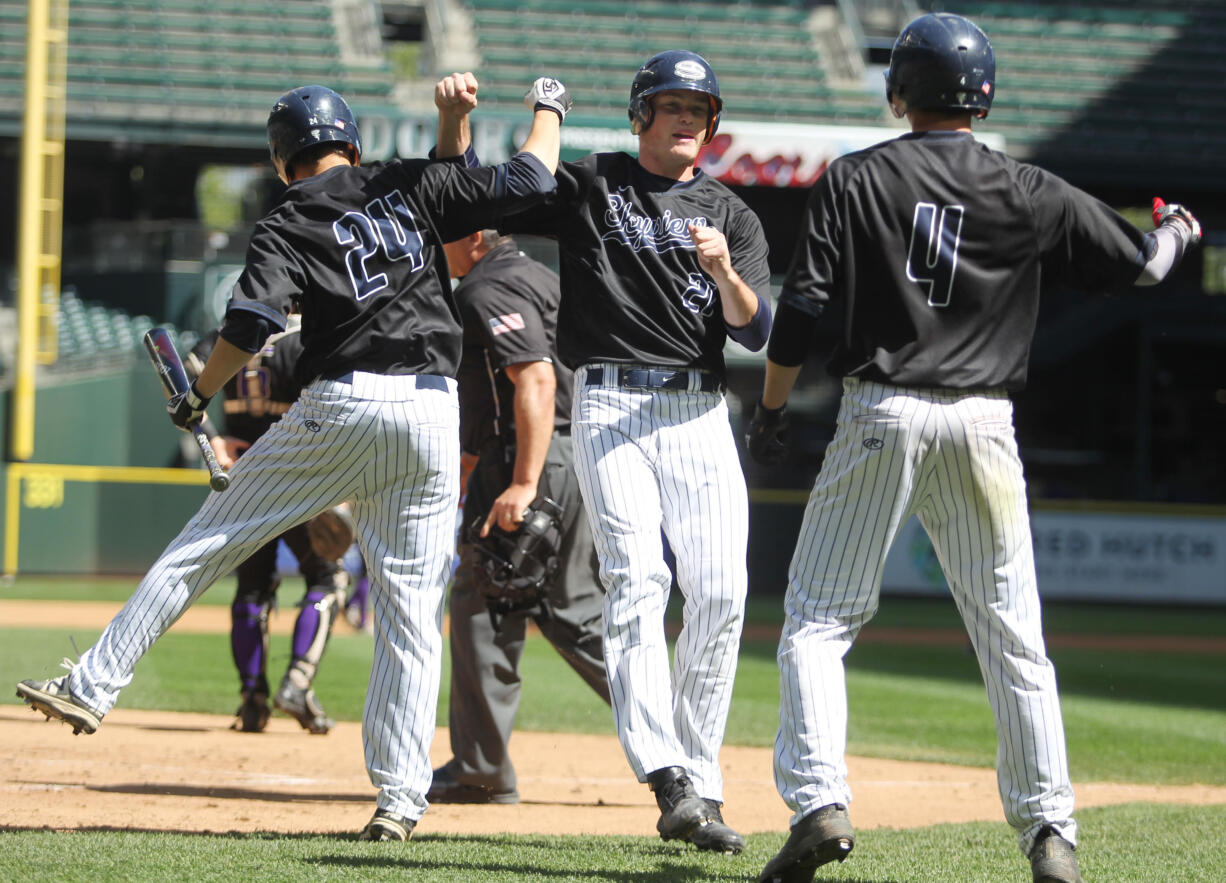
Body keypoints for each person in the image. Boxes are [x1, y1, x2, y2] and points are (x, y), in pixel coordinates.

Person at [17, 71, 571, 843]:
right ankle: (401, 800)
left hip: (345, 401)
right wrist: (548, 102)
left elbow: (249, 323)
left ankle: (91, 684)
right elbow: (533, 173)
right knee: (411, 617)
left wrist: (198, 395)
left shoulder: (287, 219)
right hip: (434, 409)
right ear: (350, 140)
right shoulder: (407, 181)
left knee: (205, 543)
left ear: (284, 161)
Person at [746, 14, 1202, 883]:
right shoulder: (1029, 185)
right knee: (1014, 639)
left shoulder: (855, 177)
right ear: (984, 95)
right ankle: (1050, 834)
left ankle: (818, 802)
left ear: (899, 92)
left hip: (881, 410)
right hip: (985, 420)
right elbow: (1146, 266)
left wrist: (770, 409)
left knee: (817, 621)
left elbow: (800, 309)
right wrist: (1178, 225)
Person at [498, 50, 773, 853]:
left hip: (697, 409)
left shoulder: (733, 215)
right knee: (637, 576)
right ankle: (668, 774)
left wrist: (724, 273)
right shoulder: (595, 183)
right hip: (611, 399)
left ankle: (701, 776)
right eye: (673, 104)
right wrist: (546, 106)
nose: (688, 118)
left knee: (721, 591)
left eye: (700, 108)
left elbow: (756, 329)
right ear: (640, 115)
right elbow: (517, 188)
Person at [427, 229, 610, 805]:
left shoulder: (488, 285)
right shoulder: (540, 276)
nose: (438, 241)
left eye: (447, 231)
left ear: (477, 236)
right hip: (573, 451)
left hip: (530, 459)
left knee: (483, 603)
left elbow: (534, 376)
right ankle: (678, 730)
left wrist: (524, 482)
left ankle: (481, 770)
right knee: (573, 611)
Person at [187, 319, 349, 735]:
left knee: (253, 586)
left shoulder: (232, 333)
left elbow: (184, 375)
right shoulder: (309, 336)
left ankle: (252, 700)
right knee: (328, 578)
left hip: (246, 479)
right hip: (301, 480)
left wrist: (211, 438)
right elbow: (338, 408)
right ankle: (296, 684)